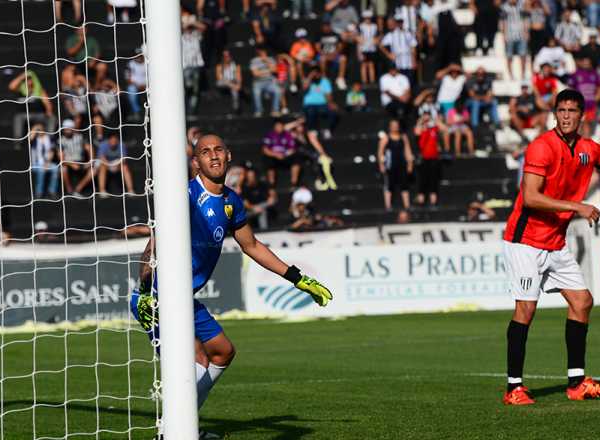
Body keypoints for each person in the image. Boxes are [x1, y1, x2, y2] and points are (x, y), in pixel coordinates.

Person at [131, 134, 332, 438]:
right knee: (198, 359)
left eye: (218, 150)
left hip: (184, 299)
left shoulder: (231, 201)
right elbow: (154, 242)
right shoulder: (184, 194)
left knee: (222, 352)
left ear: (229, 156)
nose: (213, 156)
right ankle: (174, 432)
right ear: (195, 162)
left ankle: (178, 429)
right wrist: (145, 290)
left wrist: (297, 278)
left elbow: (251, 245)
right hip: (157, 299)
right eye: (205, 152)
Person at [501, 89, 600, 405]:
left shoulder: (588, 148)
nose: (565, 115)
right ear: (555, 113)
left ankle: (576, 383)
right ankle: (513, 388)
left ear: (582, 115)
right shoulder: (541, 147)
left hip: (554, 242)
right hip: (524, 242)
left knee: (582, 301)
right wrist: (578, 206)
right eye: (561, 110)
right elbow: (531, 197)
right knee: (526, 309)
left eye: (572, 110)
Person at [377, 119, 414, 211]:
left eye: (396, 125)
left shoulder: (403, 137)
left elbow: (407, 150)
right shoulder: (386, 138)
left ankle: (407, 206)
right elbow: (380, 152)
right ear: (389, 127)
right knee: (389, 185)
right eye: (393, 125)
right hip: (390, 165)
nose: (395, 127)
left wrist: (410, 163)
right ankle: (388, 206)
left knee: (404, 185)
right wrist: (381, 165)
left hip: (402, 164)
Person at [500, 0, 530, 80]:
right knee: (509, 56)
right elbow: (502, 22)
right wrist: (504, 34)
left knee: (523, 55)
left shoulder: (521, 5)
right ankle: (510, 75)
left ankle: (523, 74)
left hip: (521, 34)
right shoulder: (504, 7)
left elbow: (526, 19)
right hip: (509, 35)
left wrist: (526, 32)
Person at [250, 47, 282, 116]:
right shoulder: (254, 61)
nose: (262, 53)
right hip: (258, 82)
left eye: (263, 51)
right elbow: (255, 74)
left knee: (278, 91)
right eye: (261, 51)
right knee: (256, 92)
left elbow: (275, 70)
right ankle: (259, 110)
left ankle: (275, 110)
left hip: (270, 82)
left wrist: (267, 62)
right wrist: (268, 71)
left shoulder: (270, 59)